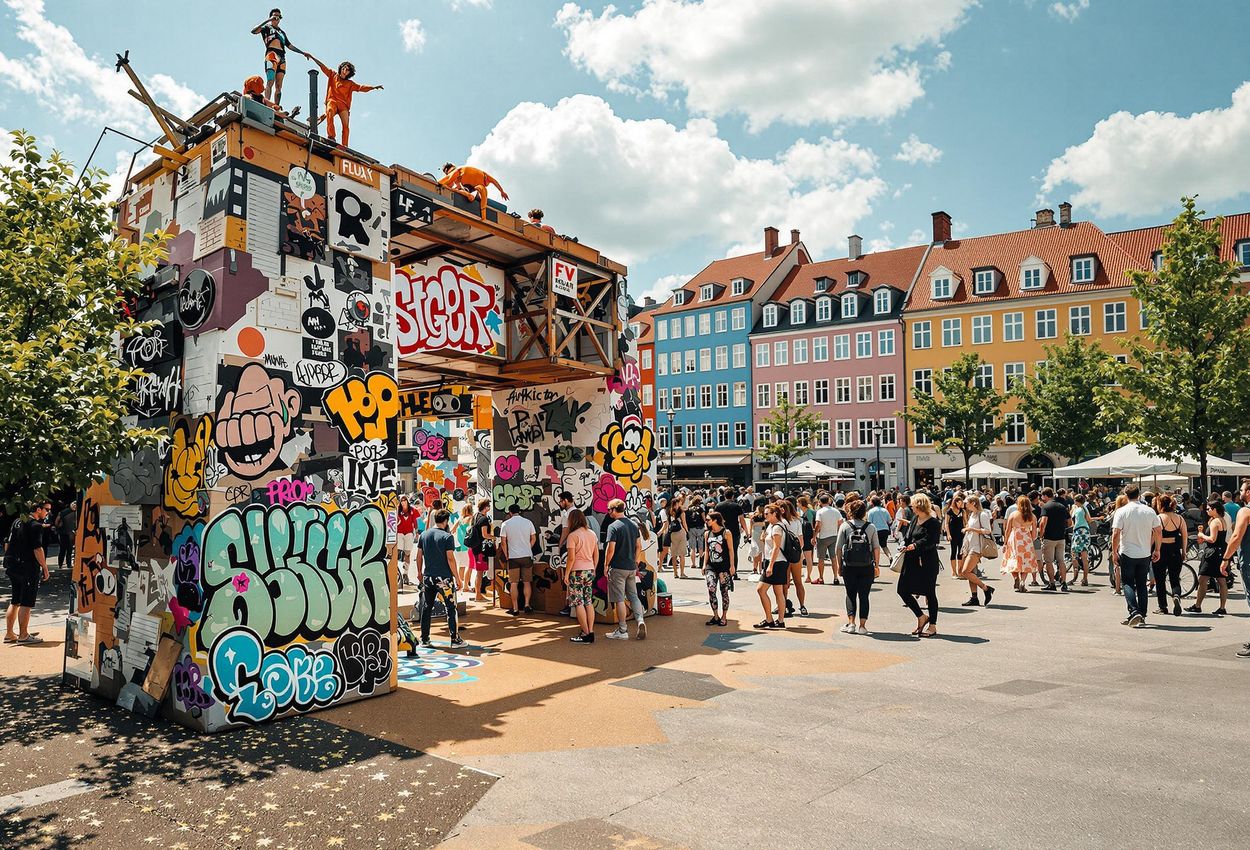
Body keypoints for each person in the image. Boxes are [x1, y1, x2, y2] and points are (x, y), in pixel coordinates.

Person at [303, 53, 383, 148]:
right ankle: (331, 137)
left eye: (348, 70)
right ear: (341, 68)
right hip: (332, 101)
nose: (345, 71)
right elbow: (322, 66)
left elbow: (361, 87)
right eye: (344, 68)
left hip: (343, 106)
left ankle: (345, 145)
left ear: (349, 73)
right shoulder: (333, 75)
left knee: (346, 125)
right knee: (329, 111)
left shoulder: (350, 83)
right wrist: (312, 57)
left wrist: (373, 87)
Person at [412, 510, 465, 648]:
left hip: (428, 577)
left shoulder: (424, 535)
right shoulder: (447, 537)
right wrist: (458, 578)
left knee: (426, 607)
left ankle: (424, 638)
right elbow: (450, 559)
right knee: (450, 607)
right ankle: (454, 639)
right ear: (446, 520)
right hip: (444, 578)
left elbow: (419, 555)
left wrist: (419, 572)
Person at [1111, 484, 1162, 628]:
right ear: (1139, 494)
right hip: (1144, 552)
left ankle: (1134, 611)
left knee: (1127, 583)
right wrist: (1157, 549)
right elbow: (1158, 531)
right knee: (1141, 584)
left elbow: (1115, 534)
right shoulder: (1149, 511)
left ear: (1126, 495)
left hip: (1127, 552)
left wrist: (1114, 552)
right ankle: (1142, 614)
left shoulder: (1121, 511)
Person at [4, 501, 50, 645]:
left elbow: (7, 542)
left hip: (12, 564)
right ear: (38, 509)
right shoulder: (35, 526)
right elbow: (38, 549)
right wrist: (45, 567)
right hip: (27, 567)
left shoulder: (17, 521)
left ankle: (9, 633)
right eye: (46, 509)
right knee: (26, 602)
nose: (48, 512)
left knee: (15, 600)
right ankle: (23, 635)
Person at [898, 494, 941, 638]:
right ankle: (921, 616)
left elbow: (932, 540)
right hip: (911, 560)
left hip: (927, 562)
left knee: (929, 593)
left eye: (913, 505)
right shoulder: (915, 519)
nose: (911, 507)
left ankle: (933, 625)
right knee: (902, 590)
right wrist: (904, 544)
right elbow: (908, 536)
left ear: (919, 506)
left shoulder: (933, 522)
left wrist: (915, 545)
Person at [834, 499, 880, 635]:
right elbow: (876, 548)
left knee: (850, 594)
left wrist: (839, 565)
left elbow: (838, 548)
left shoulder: (845, 526)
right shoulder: (870, 527)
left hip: (849, 565)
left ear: (850, 512)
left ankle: (851, 623)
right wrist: (876, 565)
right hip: (867, 565)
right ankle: (863, 626)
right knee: (864, 596)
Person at [603, 499, 646, 640]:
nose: (608, 512)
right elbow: (638, 546)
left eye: (609, 509)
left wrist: (606, 564)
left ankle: (623, 630)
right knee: (633, 595)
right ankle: (640, 620)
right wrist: (636, 560)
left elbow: (610, 549)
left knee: (620, 599)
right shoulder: (634, 525)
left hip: (617, 567)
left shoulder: (613, 526)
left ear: (615, 510)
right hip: (631, 567)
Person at [1188, 498, 1229, 616]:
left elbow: (1212, 539)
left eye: (1208, 509)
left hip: (1212, 552)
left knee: (1202, 579)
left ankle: (1197, 605)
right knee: (1221, 580)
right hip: (1221, 551)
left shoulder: (1215, 521)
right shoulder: (1222, 520)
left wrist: (1201, 535)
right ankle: (1222, 607)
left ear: (1214, 509)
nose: (1206, 511)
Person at [251, 8, 300, 106]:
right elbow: (254, 31)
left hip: (282, 56)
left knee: (279, 86)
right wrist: (268, 20)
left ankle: (276, 106)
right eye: (275, 16)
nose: (277, 18)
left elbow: (289, 45)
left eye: (279, 16)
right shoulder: (266, 28)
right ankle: (266, 103)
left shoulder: (282, 32)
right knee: (270, 81)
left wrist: (302, 53)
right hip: (271, 54)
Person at [563, 509, 598, 643]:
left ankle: (585, 633)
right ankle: (591, 630)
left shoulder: (573, 536)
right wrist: (593, 568)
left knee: (578, 603)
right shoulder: (592, 534)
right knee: (588, 601)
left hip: (576, 571)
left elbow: (571, 558)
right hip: (589, 570)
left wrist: (566, 574)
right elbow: (596, 554)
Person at [499, 503, 537, 615]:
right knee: (527, 582)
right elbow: (533, 538)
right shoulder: (528, 522)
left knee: (514, 583)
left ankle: (515, 608)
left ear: (510, 512)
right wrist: (528, 547)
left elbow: (503, 542)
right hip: (526, 556)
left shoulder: (505, 524)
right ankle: (527, 605)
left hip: (513, 557)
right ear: (519, 511)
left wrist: (507, 554)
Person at [1152, 494, 1187, 617]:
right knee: (1175, 577)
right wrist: (1184, 551)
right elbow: (1184, 536)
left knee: (1160, 579)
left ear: (1160, 504)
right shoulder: (1180, 518)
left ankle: (1163, 607)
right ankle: (1176, 595)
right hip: (1175, 550)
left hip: (1161, 550)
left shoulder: (1158, 518)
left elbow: (1155, 536)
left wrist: (1151, 550)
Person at [755, 505, 789, 629]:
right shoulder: (772, 525)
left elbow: (776, 547)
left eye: (767, 513)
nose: (765, 515)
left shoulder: (777, 528)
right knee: (778, 591)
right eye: (765, 513)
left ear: (775, 514)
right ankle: (780, 620)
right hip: (776, 562)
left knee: (761, 589)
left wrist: (770, 566)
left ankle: (770, 619)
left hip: (776, 562)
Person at [958, 497, 995, 607]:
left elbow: (987, 530)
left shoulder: (982, 515)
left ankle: (986, 588)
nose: (965, 504)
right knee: (971, 573)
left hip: (977, 547)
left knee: (965, 572)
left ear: (973, 503)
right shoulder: (972, 515)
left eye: (966, 503)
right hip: (969, 546)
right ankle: (974, 597)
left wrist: (971, 529)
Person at [440, 163, 510, 220]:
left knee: (467, 193)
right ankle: (470, 196)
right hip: (473, 189)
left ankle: (467, 194)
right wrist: (502, 191)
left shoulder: (458, 172)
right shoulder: (483, 175)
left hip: (469, 188)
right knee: (476, 193)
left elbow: (447, 180)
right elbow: (494, 181)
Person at [1001, 495, 1039, 592]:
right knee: (1025, 561)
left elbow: (1008, 530)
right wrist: (1031, 539)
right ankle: (1022, 581)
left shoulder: (1013, 515)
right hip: (1026, 539)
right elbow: (1034, 533)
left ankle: (1016, 578)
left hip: (1015, 539)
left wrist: (1005, 543)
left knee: (1013, 559)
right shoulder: (1032, 516)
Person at [703, 512, 734, 627]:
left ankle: (724, 616)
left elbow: (731, 550)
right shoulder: (707, 534)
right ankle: (715, 615)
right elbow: (707, 550)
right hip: (711, 566)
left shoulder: (726, 533)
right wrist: (704, 565)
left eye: (708, 519)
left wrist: (732, 565)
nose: (706, 521)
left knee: (724, 591)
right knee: (711, 589)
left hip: (723, 566)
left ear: (715, 520)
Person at [1037, 487, 1071, 592]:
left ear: (1045, 496)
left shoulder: (1046, 507)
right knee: (1061, 560)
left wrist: (1041, 535)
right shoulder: (1062, 506)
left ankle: (1052, 583)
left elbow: (1043, 522)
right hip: (1061, 537)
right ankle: (1064, 583)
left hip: (1049, 537)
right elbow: (1070, 522)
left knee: (1049, 561)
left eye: (1042, 496)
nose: (1042, 498)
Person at [779, 500, 807, 617]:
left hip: (784, 555)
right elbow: (801, 541)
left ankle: (783, 605)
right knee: (798, 582)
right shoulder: (797, 521)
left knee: (784, 583)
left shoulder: (781, 522)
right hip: (796, 555)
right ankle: (802, 606)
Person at [464, 498, 493, 603]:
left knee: (478, 571)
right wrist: (494, 537)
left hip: (473, 548)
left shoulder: (475, 516)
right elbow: (485, 534)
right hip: (480, 549)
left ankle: (478, 594)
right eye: (488, 506)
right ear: (485, 507)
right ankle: (478, 595)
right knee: (480, 573)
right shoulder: (484, 519)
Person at [813, 493, 843, 586]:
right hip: (834, 536)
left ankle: (821, 578)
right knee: (833, 558)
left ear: (820, 502)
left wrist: (814, 536)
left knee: (821, 559)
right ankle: (835, 577)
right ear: (829, 501)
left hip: (823, 537)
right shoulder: (836, 511)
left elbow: (818, 524)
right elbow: (840, 522)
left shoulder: (820, 511)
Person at [1069, 494, 1094, 587]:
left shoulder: (1077, 510)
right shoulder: (1084, 508)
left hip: (1078, 532)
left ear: (1076, 501)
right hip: (1085, 532)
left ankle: (1075, 576)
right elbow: (1089, 520)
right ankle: (1085, 578)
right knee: (1084, 557)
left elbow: (1072, 521)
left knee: (1074, 554)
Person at [395, 496, 419, 588]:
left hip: (409, 533)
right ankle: (397, 572)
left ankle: (406, 573)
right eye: (402, 500)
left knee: (407, 553)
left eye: (405, 500)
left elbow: (415, 521)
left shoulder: (412, 510)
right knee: (397, 552)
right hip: (399, 533)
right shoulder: (397, 510)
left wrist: (416, 532)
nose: (403, 502)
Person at [797, 495, 817, 585]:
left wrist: (814, 537)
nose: (797, 504)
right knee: (805, 557)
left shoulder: (808, 513)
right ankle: (806, 575)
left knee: (808, 557)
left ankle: (808, 576)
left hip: (808, 537)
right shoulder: (806, 512)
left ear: (801, 504)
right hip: (806, 536)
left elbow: (812, 527)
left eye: (798, 502)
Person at [943, 495, 965, 577]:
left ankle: (959, 571)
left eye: (961, 502)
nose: (960, 504)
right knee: (953, 551)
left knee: (960, 552)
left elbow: (965, 522)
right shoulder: (949, 511)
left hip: (961, 534)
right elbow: (946, 523)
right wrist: (948, 534)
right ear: (955, 502)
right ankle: (954, 571)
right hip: (952, 534)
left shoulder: (962, 511)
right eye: (959, 502)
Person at [668, 495, 689, 579]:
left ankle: (675, 573)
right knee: (682, 554)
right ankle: (682, 573)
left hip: (672, 533)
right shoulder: (682, 512)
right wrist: (687, 532)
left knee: (674, 554)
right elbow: (684, 523)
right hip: (681, 532)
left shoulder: (670, 512)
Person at [55, 500, 77, 570]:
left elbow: (56, 522)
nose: (75, 506)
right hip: (66, 533)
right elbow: (57, 522)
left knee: (67, 549)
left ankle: (65, 564)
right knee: (66, 549)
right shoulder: (65, 512)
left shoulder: (77, 513)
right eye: (74, 504)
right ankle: (64, 564)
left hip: (68, 533)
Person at [686, 496, 707, 574]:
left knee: (692, 547)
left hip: (691, 528)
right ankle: (701, 563)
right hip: (700, 528)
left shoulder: (688, 509)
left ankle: (693, 563)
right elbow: (704, 519)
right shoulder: (701, 509)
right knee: (701, 546)